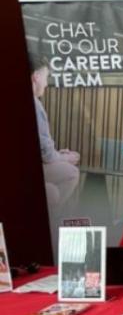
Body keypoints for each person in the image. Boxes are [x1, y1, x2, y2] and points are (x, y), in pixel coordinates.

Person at [30, 56, 80, 211]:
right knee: (71, 172)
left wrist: (56, 154)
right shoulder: (35, 104)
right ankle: (50, 219)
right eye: (46, 77)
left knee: (51, 192)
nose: (46, 83)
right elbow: (47, 155)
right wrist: (65, 157)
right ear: (36, 77)